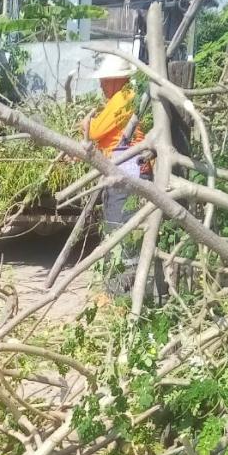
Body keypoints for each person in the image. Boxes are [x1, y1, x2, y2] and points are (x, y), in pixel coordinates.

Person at [82, 52, 149, 295]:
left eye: (103, 80)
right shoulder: (122, 98)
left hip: (126, 174)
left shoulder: (123, 98)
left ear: (115, 79)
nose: (100, 85)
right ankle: (118, 291)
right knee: (117, 228)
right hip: (123, 171)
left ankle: (121, 295)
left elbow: (96, 131)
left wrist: (86, 126)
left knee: (120, 231)